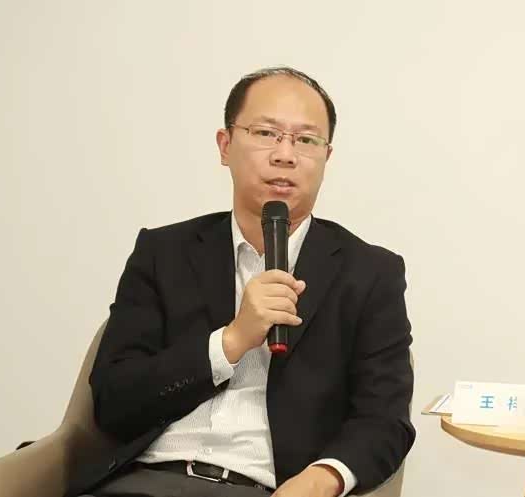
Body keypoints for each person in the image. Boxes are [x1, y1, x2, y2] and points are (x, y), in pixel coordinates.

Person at [70, 66, 415, 497]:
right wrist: (231, 340)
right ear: (225, 145)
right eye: (266, 133)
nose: (285, 154)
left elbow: (385, 421)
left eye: (306, 140)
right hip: (147, 482)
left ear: (326, 158)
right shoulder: (164, 252)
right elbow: (112, 400)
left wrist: (320, 479)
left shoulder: (370, 273)